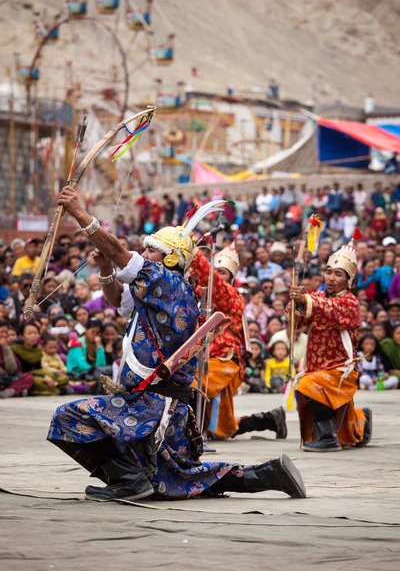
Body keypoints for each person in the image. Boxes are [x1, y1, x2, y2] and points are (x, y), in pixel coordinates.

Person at [48, 188, 306, 502]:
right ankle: (269, 473)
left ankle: (129, 481)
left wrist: (78, 211)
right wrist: (104, 268)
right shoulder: (160, 287)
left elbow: (116, 248)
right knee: (174, 478)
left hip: (152, 406)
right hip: (155, 403)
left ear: (170, 257)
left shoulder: (165, 281)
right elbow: (118, 299)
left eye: (151, 251)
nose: (144, 256)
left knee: (67, 418)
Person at [191, 241, 287, 441]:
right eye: (216, 270)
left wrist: (193, 252)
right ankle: (270, 419)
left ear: (232, 278)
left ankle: (192, 433)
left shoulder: (231, 295)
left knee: (193, 385)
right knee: (222, 429)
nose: (218, 275)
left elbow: (212, 281)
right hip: (203, 360)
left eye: (223, 272)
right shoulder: (200, 295)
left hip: (223, 361)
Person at [289, 233, 372, 452]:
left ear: (348, 280)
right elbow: (296, 323)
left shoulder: (350, 303)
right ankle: (360, 420)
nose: (331, 278)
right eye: (328, 272)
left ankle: (327, 438)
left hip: (340, 370)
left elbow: (329, 310)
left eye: (338, 274)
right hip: (319, 370)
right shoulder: (317, 296)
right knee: (348, 431)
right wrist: (296, 304)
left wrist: (305, 300)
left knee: (307, 384)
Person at [12, 322, 69, 396]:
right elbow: (21, 372)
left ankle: (54, 389)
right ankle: (59, 390)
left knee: (63, 378)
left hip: (41, 372)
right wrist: (43, 377)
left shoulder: (39, 349)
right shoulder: (15, 349)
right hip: (26, 376)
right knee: (40, 383)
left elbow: (42, 368)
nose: (33, 336)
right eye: (29, 333)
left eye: (35, 333)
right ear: (22, 336)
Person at [0, 320, 34, 398]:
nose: (4, 335)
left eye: (6, 332)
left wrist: (6, 348)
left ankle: (7, 392)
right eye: (2, 332)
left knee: (28, 378)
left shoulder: (7, 347)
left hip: (5, 378)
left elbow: (12, 369)